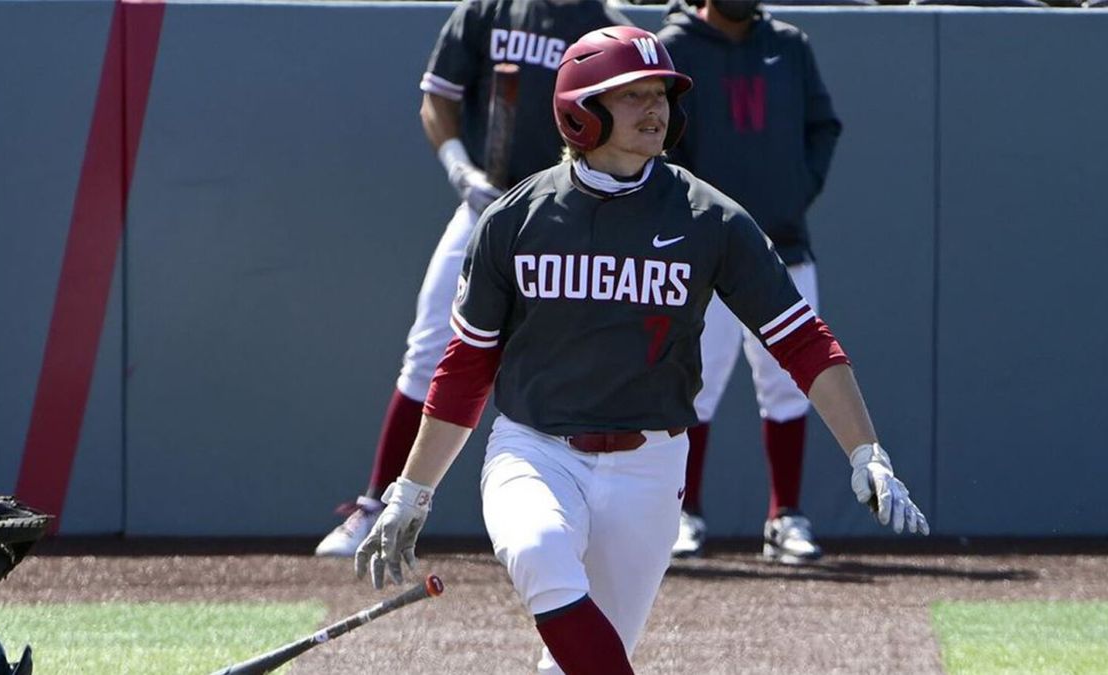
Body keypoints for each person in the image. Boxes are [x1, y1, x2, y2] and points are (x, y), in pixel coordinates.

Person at [355, 26, 929, 674]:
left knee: (575, 661)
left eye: (661, 93)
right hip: (535, 451)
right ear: (580, 108)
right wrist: (412, 491)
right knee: (542, 550)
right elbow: (464, 371)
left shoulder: (710, 218)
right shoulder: (513, 221)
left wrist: (866, 449)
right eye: (632, 95)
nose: (654, 108)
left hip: (651, 468)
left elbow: (800, 339)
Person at [315, 0, 632, 557]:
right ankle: (380, 505)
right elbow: (437, 99)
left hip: (573, 211)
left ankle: (594, 520)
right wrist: (461, 169)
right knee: (430, 348)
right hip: (485, 205)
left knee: (586, 361)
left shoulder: (607, 23)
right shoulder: (487, 10)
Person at [657, 0, 843, 563]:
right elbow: (657, 142)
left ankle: (785, 515)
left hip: (782, 245)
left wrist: (792, 194)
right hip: (702, 253)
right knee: (694, 385)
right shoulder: (674, 46)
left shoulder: (789, 43)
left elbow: (823, 127)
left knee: (791, 384)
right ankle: (683, 514)